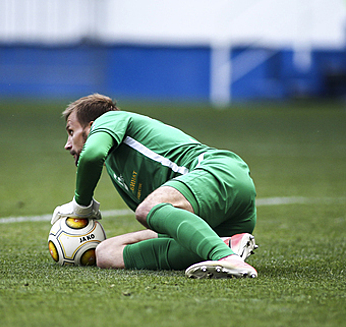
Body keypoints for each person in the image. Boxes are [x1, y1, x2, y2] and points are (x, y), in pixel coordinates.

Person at [51, 93, 258, 279]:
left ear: (92, 126)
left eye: (71, 131)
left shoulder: (111, 119)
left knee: (147, 209)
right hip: (224, 224)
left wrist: (81, 205)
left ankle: (226, 257)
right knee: (106, 253)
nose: (67, 144)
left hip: (221, 171)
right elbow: (167, 227)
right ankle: (227, 244)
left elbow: (92, 155)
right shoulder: (116, 169)